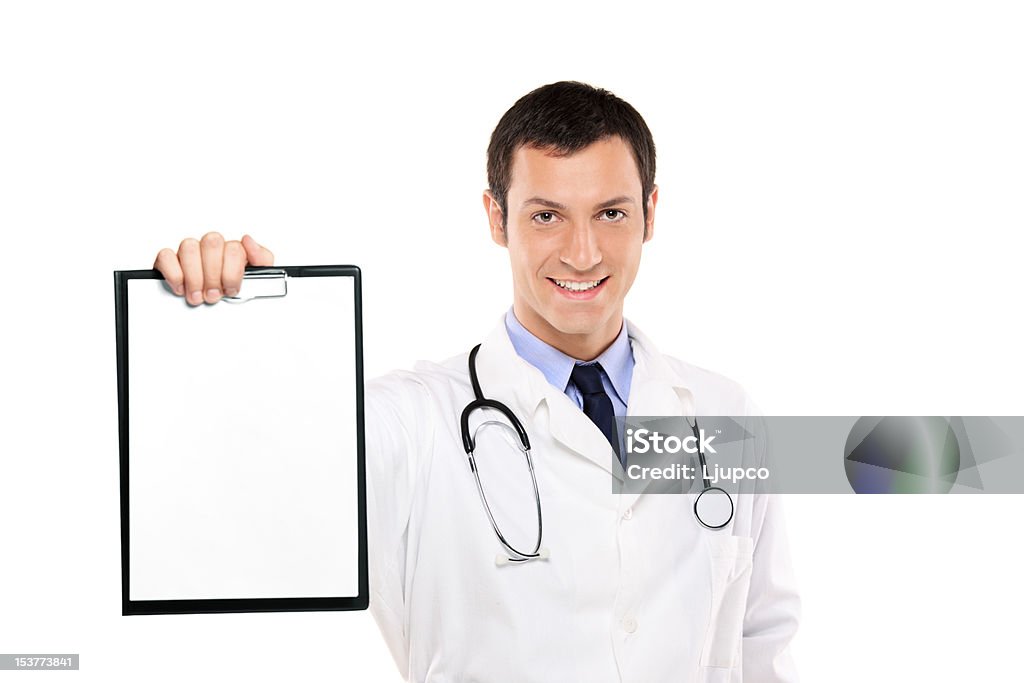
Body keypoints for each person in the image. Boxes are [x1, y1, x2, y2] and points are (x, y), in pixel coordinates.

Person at [153, 81, 800, 682]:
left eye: (610, 213)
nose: (582, 252)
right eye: (546, 216)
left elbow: (765, 640)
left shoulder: (725, 414)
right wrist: (224, 315)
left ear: (650, 212)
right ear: (496, 217)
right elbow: (251, 476)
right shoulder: (410, 422)